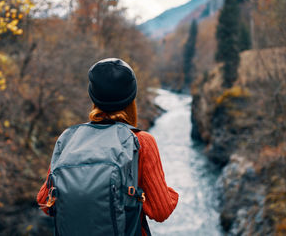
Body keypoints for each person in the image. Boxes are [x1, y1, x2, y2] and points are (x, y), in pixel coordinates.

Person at [37, 58, 179, 235]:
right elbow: (161, 210)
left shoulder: (68, 139)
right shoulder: (142, 141)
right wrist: (166, 193)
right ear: (131, 98)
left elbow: (45, 201)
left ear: (93, 96)